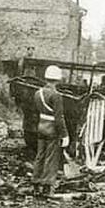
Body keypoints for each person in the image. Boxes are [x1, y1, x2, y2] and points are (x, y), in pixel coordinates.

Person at [31, 65, 69, 196]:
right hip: (52, 128)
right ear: (58, 79)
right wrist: (64, 134)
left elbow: (35, 114)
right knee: (51, 157)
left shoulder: (37, 93)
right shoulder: (56, 95)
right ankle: (47, 187)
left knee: (39, 155)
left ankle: (36, 184)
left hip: (41, 126)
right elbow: (59, 118)